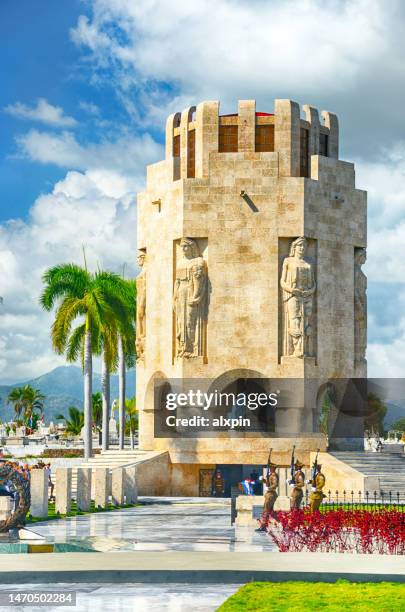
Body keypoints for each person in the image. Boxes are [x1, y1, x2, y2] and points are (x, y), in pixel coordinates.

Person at [256, 463, 279, 531]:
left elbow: (275, 484)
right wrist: (263, 480)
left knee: (266, 510)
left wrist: (269, 488)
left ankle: (263, 526)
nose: (269, 468)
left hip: (271, 495)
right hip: (269, 494)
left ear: (273, 468)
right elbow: (268, 483)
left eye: (270, 467)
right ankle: (284, 523)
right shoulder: (270, 475)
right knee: (271, 512)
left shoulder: (274, 475)